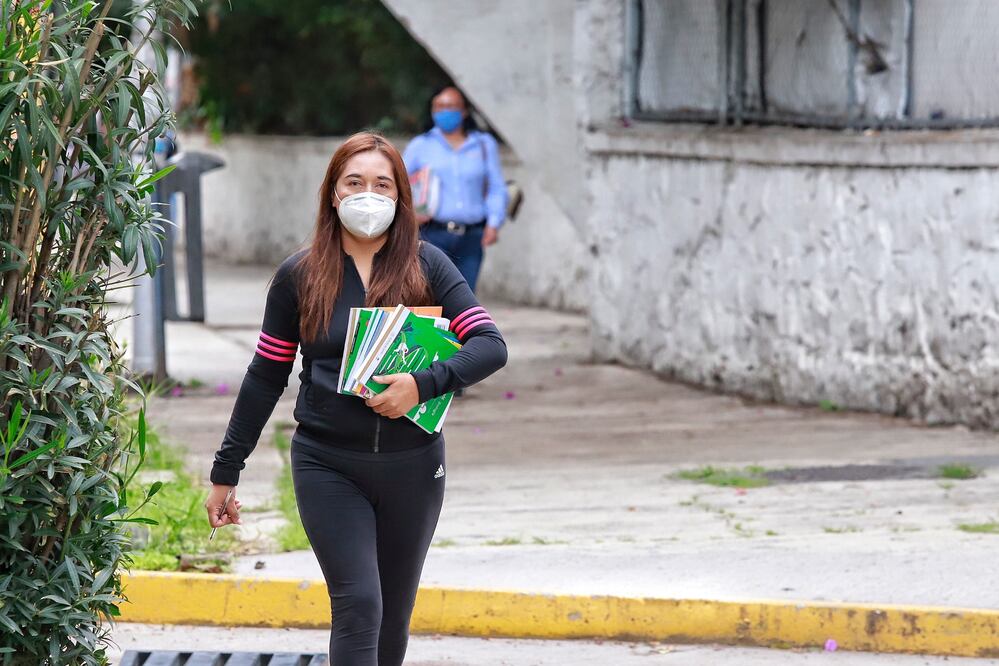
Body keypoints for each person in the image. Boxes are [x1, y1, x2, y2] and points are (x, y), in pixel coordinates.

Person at [203, 132, 507, 666]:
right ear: (334, 194)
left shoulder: (427, 265)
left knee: (391, 623)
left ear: (400, 197)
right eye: (355, 182)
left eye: (382, 184)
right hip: (327, 465)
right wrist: (227, 470)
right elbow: (264, 376)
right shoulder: (300, 275)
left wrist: (423, 384)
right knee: (360, 604)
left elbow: (490, 345)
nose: (369, 194)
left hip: (413, 468)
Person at [402, 85, 508, 293]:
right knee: (431, 296)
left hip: (472, 236)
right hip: (433, 234)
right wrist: (411, 215)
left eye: (451, 106)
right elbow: (399, 183)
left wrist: (494, 223)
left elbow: (496, 187)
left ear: (464, 110)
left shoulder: (484, 145)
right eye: (439, 107)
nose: (445, 112)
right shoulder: (421, 145)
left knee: (464, 298)